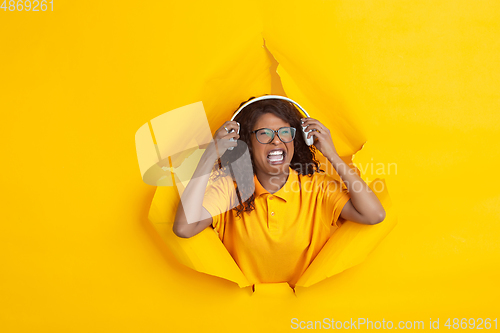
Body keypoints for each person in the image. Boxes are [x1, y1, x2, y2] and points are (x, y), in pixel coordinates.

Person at [173, 96, 386, 288]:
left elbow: (374, 214)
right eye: (264, 134)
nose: (277, 140)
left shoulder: (317, 186)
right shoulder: (230, 187)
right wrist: (210, 155)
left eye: (285, 132)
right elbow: (184, 227)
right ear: (246, 143)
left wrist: (332, 154)